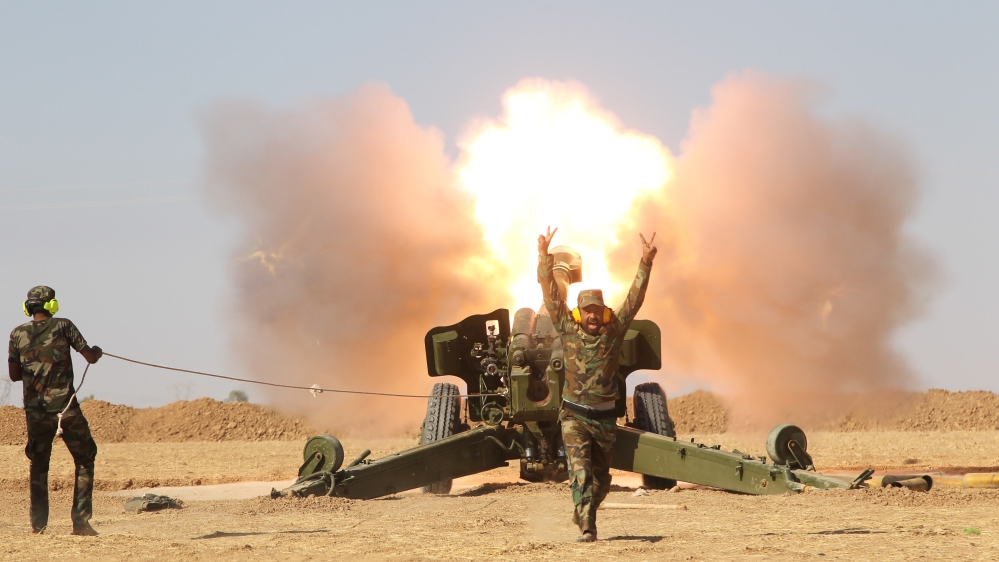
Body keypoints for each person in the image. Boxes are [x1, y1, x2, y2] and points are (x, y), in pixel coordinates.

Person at [537, 227, 657, 542]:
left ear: (602, 313)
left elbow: (635, 300)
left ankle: (584, 510)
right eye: (586, 311)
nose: (591, 316)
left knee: (602, 481)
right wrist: (543, 258)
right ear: (579, 312)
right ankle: (588, 527)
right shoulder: (567, 327)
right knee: (581, 474)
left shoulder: (614, 330)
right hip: (574, 417)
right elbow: (550, 294)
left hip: (604, 419)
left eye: (596, 311)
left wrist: (645, 263)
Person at [8, 286, 103, 535]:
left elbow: (14, 375)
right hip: (66, 410)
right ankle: (81, 523)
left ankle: (38, 526)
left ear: (28, 307)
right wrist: (97, 352)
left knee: (39, 464)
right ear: (52, 306)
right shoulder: (64, 326)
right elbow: (90, 358)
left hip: (35, 412)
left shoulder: (17, 333)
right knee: (85, 458)